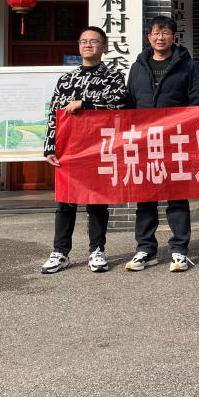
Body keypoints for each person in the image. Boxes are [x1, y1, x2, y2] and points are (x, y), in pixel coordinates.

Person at [41, 26, 127, 274]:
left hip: (98, 148)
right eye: (84, 41)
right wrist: (49, 146)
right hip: (69, 148)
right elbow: (54, 114)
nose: (88, 45)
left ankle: (97, 251)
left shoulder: (113, 77)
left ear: (104, 47)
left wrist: (85, 103)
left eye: (94, 41)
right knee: (65, 202)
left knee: (96, 202)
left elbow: (121, 104)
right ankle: (60, 252)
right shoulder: (66, 79)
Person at [124, 16, 199, 273]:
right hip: (145, 142)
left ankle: (179, 250)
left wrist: (188, 135)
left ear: (174, 37)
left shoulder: (187, 65)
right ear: (149, 37)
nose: (161, 38)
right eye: (156, 33)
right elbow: (129, 104)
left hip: (176, 141)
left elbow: (196, 102)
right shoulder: (138, 67)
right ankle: (145, 249)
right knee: (145, 198)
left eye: (166, 33)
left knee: (177, 197)